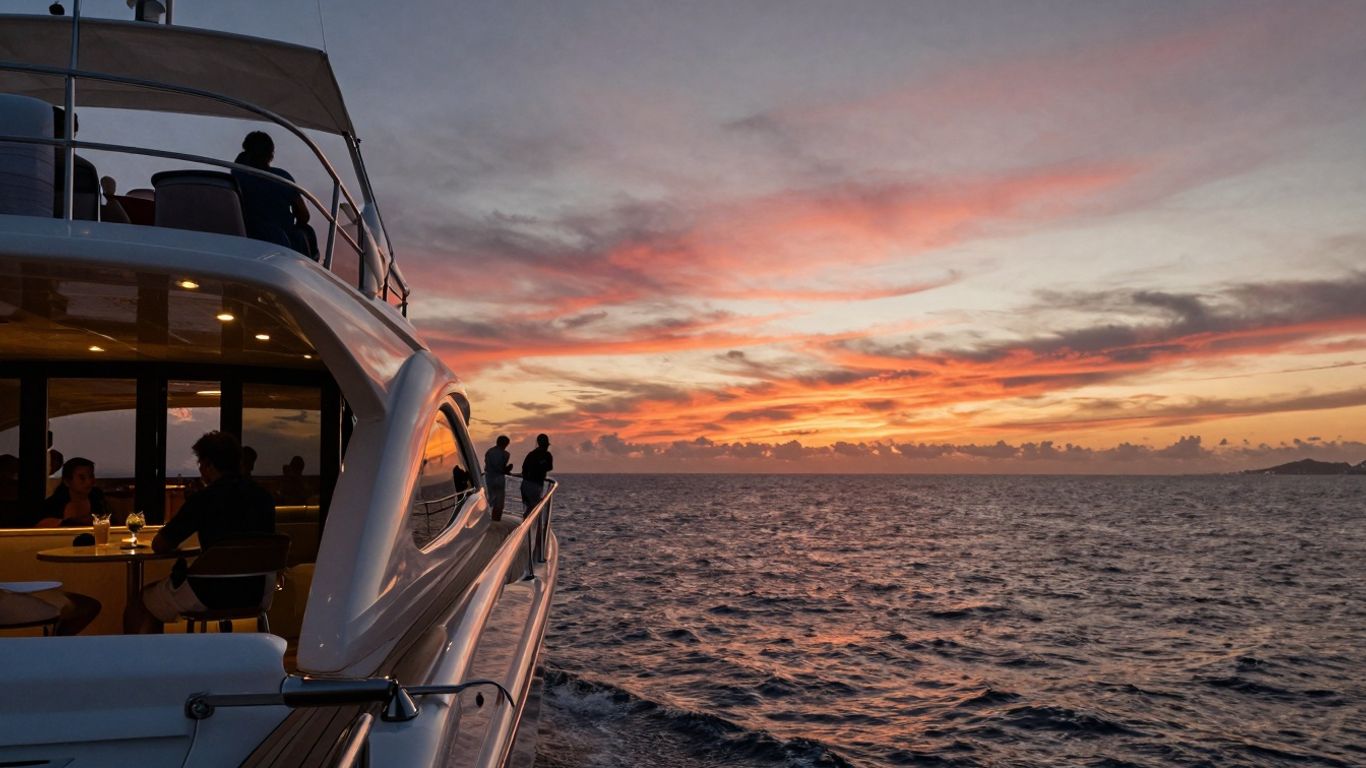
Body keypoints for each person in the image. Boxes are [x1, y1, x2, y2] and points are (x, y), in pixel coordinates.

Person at [131, 431, 276, 633]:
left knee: (140, 604)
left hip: (211, 593)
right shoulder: (264, 498)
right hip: (257, 592)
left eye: (200, 464)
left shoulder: (204, 499)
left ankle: (142, 653)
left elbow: (160, 544)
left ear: (208, 465)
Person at [231, 131, 318, 259]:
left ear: (246, 151)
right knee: (307, 232)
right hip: (280, 243)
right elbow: (304, 216)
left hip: (245, 237)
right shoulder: (282, 178)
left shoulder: (237, 176)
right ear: (271, 154)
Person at [33, 456, 106, 528]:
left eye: (91, 476)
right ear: (67, 482)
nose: (89, 482)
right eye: (82, 478)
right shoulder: (54, 504)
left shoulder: (98, 499)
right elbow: (38, 527)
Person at [519, 434, 553, 514]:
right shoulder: (547, 455)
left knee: (530, 506)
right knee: (533, 507)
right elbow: (549, 467)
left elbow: (524, 468)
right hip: (535, 484)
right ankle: (527, 520)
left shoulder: (531, 454)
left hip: (526, 484)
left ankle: (526, 519)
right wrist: (541, 466)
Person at [483, 436, 513, 522]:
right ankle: (495, 520)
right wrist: (508, 469)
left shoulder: (489, 452)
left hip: (488, 478)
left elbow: (488, 465)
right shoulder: (506, 454)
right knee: (499, 503)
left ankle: (486, 518)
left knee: (489, 499)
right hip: (499, 479)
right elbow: (501, 468)